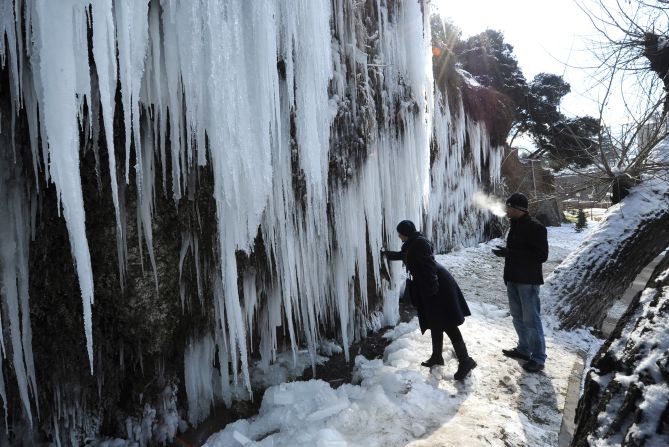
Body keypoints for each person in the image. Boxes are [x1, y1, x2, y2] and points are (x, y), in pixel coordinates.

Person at [382, 220, 477, 380]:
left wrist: (432, 288)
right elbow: (403, 256)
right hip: (429, 285)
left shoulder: (420, 244)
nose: (398, 236)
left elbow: (429, 266)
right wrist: (387, 254)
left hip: (438, 287)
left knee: (449, 324)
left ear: (405, 232)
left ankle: (465, 361)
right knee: (435, 322)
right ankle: (436, 356)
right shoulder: (411, 242)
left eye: (400, 233)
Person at [492, 193, 549, 373]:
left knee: (531, 319)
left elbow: (542, 256)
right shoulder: (514, 225)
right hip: (513, 278)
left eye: (509, 207)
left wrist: (510, 253)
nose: (506, 210)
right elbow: (516, 251)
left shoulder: (536, 227)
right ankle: (524, 350)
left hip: (528, 280)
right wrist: (507, 253)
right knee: (517, 317)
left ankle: (539, 358)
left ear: (519, 209)